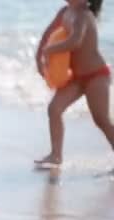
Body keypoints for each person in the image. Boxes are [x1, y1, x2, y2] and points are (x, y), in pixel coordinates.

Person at [35, 0, 113, 166]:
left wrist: (49, 50)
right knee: (54, 109)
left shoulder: (84, 16)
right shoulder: (65, 12)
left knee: (101, 119)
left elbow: (75, 41)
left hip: (96, 76)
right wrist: (38, 58)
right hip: (76, 78)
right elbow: (48, 34)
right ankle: (56, 155)